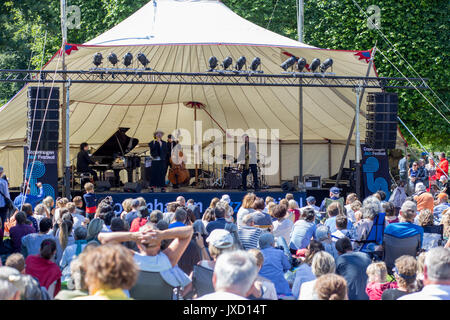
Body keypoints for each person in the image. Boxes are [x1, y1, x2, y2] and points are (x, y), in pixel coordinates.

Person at [258, 233, 291, 297]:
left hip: (263, 289)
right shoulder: (279, 252)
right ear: (271, 244)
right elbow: (288, 266)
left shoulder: (258, 254)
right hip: (281, 289)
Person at [0, 166, 11, 244]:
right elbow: (7, 195)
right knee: (4, 222)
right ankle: (2, 239)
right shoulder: (3, 182)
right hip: (3, 205)